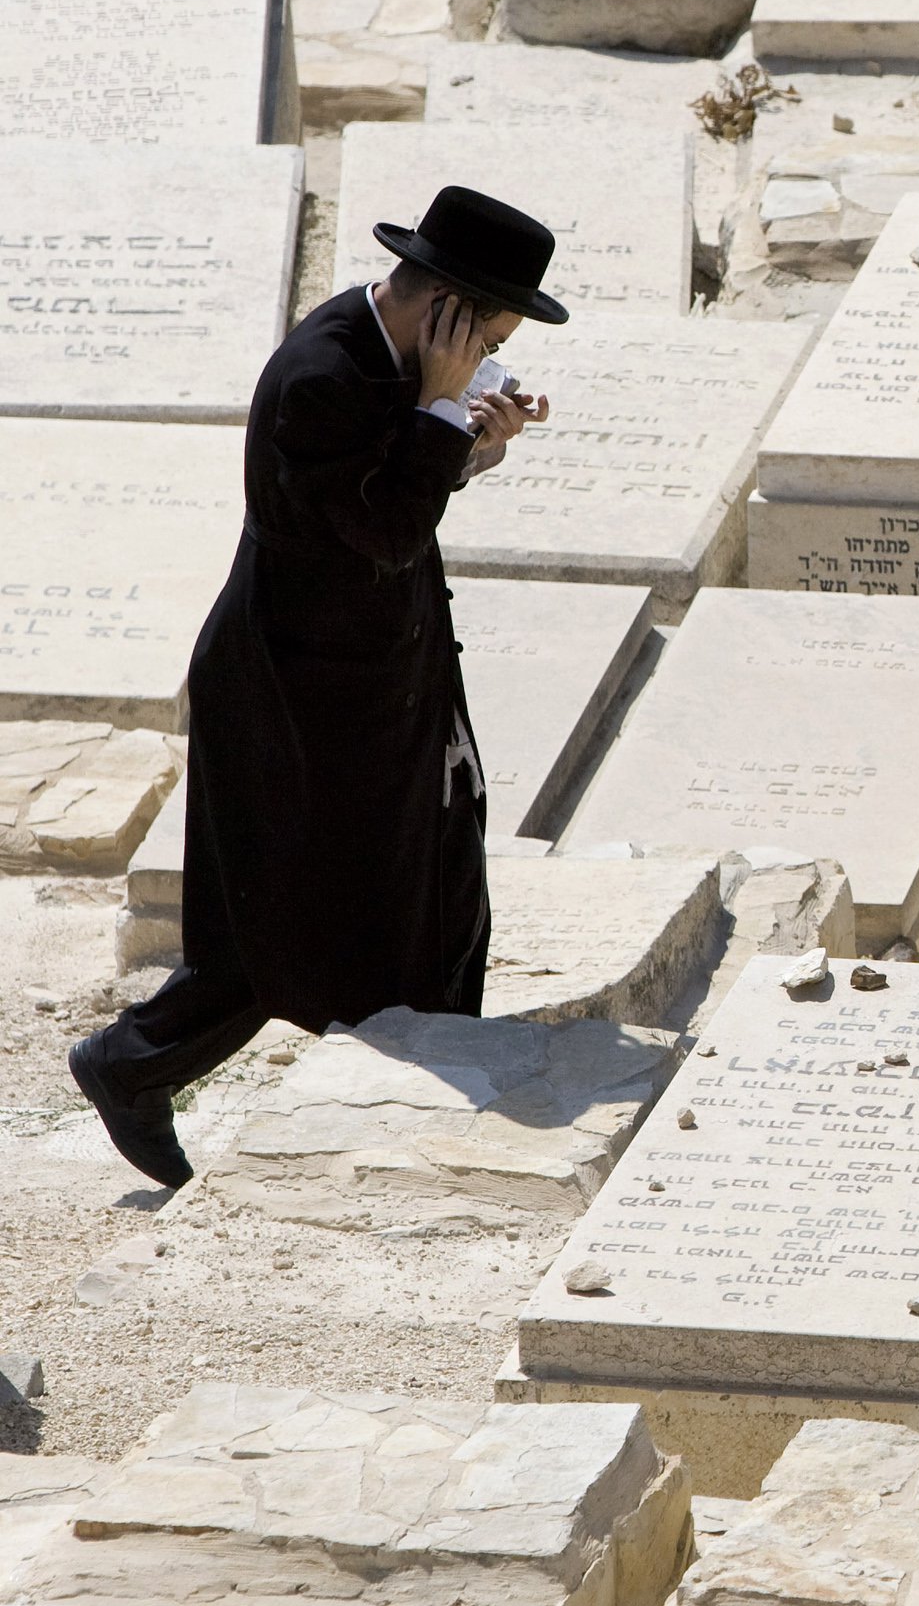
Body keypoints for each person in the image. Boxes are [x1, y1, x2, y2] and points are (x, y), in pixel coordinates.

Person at [67, 187, 566, 1188]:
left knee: (440, 873)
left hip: (385, 677)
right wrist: (437, 411)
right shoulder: (321, 376)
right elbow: (383, 529)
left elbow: (393, 504)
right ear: (447, 310)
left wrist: (475, 439)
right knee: (281, 921)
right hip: (292, 697)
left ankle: (438, 1073)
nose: (490, 354)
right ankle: (130, 1063)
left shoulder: (405, 363)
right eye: (491, 334)